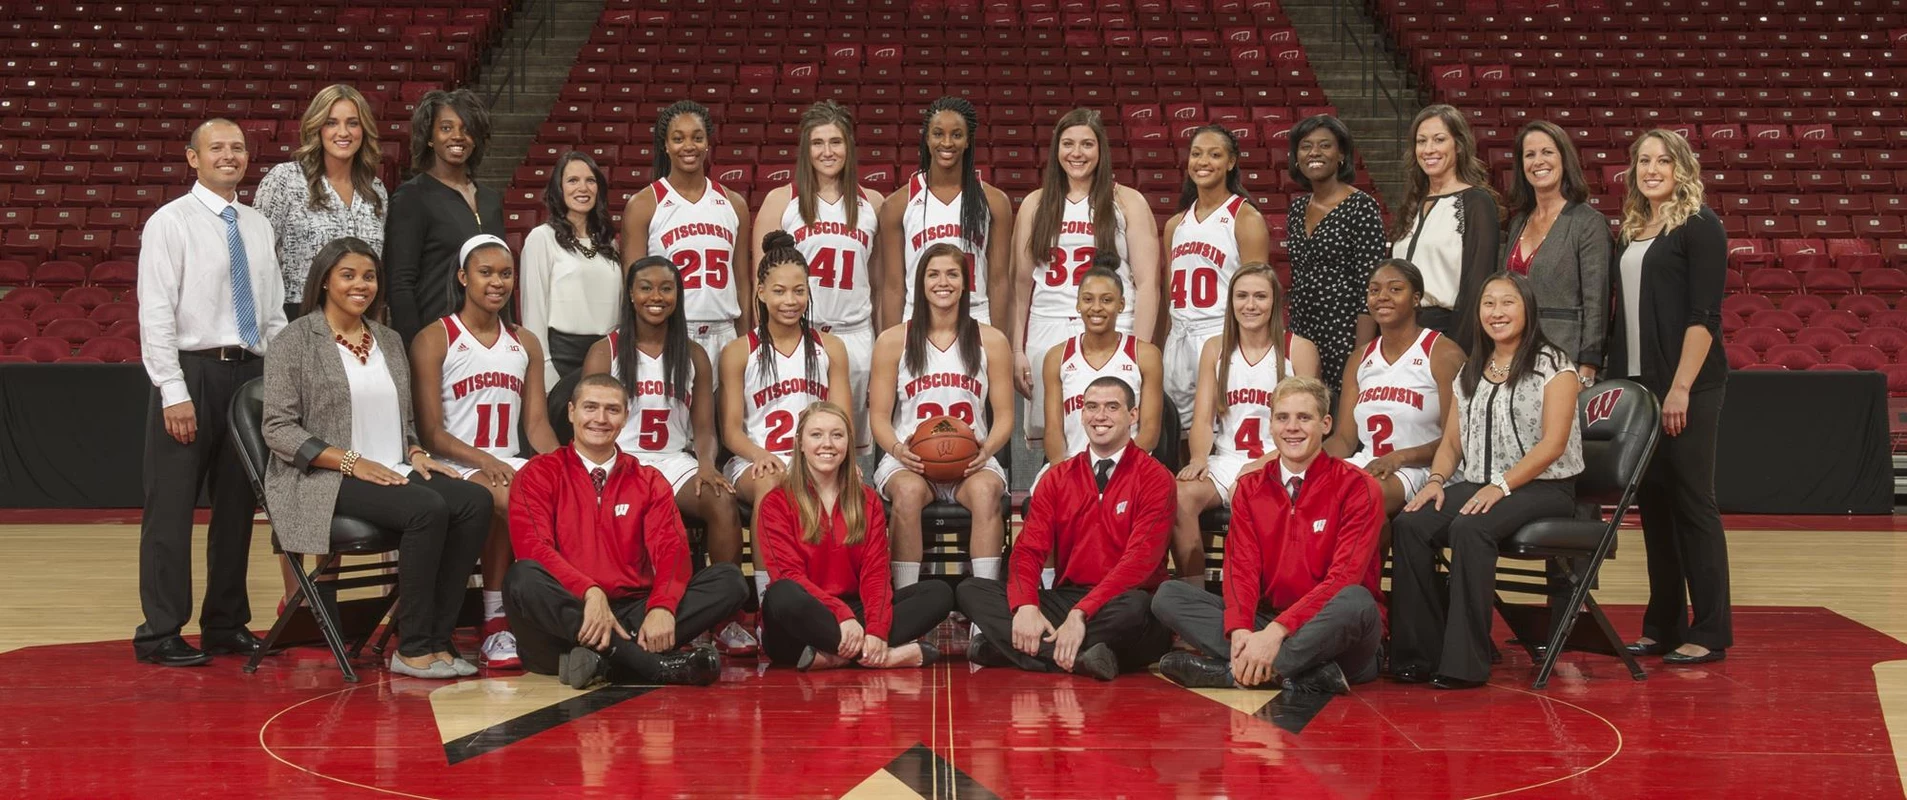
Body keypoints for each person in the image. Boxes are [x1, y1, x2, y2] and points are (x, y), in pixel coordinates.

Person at [261, 236, 493, 679]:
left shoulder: (387, 339)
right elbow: (278, 429)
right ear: (325, 280)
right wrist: (351, 462)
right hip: (325, 478)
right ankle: (412, 646)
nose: (360, 285)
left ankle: (438, 638)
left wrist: (416, 452)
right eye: (348, 275)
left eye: (369, 276)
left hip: (393, 466)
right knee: (427, 509)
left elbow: (402, 419)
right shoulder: (296, 339)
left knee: (473, 501)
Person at [133, 118, 290, 666]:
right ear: (192, 158)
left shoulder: (257, 224)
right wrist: (172, 390)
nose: (229, 156)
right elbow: (155, 313)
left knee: (237, 508)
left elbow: (271, 314)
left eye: (238, 148)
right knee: (172, 507)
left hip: (250, 376)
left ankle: (225, 623)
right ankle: (159, 632)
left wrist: (282, 377)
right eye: (216, 148)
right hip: (191, 372)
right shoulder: (169, 222)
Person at [1390, 271, 1583, 689]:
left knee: (1471, 527)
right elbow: (1452, 443)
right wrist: (1437, 480)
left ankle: (1464, 663)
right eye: (1488, 304)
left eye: (1507, 302)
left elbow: (1553, 445)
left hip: (1544, 487)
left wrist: (1503, 486)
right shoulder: (1471, 370)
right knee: (1410, 524)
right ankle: (1417, 655)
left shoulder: (1556, 366)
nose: (1497, 312)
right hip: (1479, 482)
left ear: (1528, 308)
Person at [504, 373, 749, 688]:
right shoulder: (538, 473)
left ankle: (603, 662)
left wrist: (662, 606)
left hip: (634, 613)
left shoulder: (648, 480)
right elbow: (534, 548)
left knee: (729, 580)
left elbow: (671, 550)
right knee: (522, 577)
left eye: (612, 410)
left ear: (625, 417)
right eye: (590, 408)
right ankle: (649, 666)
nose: (600, 419)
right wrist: (589, 592)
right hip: (564, 620)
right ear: (571, 412)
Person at [1153, 376, 1386, 694]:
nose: (1292, 427)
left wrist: (1276, 632)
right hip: (1268, 624)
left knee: (1357, 602)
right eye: (1282, 417)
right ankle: (1297, 673)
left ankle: (1232, 673)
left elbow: (1343, 579)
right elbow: (1241, 570)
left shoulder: (1359, 487)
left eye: (1304, 418)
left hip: (1334, 632)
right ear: (1271, 424)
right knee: (1169, 596)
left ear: (1326, 424)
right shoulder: (1249, 488)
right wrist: (1240, 629)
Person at [581, 254, 753, 655]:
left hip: (674, 461)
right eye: (646, 287)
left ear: (678, 294)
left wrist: (708, 465)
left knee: (721, 500)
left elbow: (705, 429)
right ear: (630, 294)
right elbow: (589, 424)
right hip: (620, 460)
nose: (656, 296)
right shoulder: (605, 351)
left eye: (666, 288)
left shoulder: (692, 354)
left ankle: (727, 621)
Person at [1607, 129, 1732, 665]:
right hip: (1638, 387)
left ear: (1681, 167)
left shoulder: (1701, 226)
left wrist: (1680, 387)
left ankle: (1710, 630)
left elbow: (1705, 317)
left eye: (1662, 160)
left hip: (1688, 385)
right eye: (1642, 161)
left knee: (1693, 502)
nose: (1651, 168)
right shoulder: (1632, 229)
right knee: (1653, 505)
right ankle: (1662, 625)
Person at [955, 376, 1174, 680]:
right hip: (1069, 596)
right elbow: (1028, 551)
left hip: (1123, 600)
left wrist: (1081, 613)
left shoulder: (1155, 478)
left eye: (1112, 407)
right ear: (1082, 414)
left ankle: (1017, 650)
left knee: (1138, 609)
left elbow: (1139, 563)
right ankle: (1082, 658)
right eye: (1092, 407)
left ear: (1132, 415)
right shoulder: (1057, 478)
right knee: (971, 590)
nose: (1100, 416)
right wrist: (1026, 607)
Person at [409, 235, 561, 671]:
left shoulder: (525, 342)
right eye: (486, 273)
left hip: (507, 460)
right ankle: (497, 619)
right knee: (508, 497)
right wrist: (485, 460)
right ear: (463, 277)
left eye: (506, 273)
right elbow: (431, 431)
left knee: (570, 494)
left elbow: (535, 425)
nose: (498, 282)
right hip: (452, 463)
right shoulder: (435, 337)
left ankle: (552, 611)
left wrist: (567, 465)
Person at [758, 402, 956, 669]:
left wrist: (875, 629)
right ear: (800, 444)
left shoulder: (868, 500)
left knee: (939, 592)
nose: (827, 444)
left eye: (837, 435)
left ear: (848, 444)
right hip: (808, 609)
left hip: (855, 609)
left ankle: (834, 657)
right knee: (780, 595)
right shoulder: (776, 502)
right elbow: (788, 575)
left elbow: (875, 575)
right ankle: (878, 657)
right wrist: (840, 616)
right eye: (816, 435)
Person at [868, 243, 1015, 588]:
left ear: (966, 283)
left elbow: (1006, 416)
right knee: (905, 493)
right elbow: (878, 416)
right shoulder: (893, 341)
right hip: (911, 460)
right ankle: (907, 602)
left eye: (952, 274)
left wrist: (985, 450)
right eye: (933, 274)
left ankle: (984, 608)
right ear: (920, 283)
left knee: (986, 493)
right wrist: (897, 449)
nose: (942, 282)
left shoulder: (991, 340)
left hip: (971, 459)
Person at [1013, 108, 1162, 444]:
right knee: (1054, 431)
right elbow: (1021, 286)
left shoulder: (1128, 201)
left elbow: (1148, 284)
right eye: (1068, 144)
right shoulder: (1036, 204)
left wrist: (1138, 347)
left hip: (1112, 325)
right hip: (1046, 326)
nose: (1076, 153)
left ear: (1101, 150)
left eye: (1087, 144)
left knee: (1113, 424)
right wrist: (1016, 349)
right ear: (1056, 150)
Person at [720, 232, 850, 603]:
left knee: (851, 490)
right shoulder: (739, 351)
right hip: (756, 459)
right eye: (779, 291)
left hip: (817, 456)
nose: (790, 301)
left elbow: (841, 419)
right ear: (760, 292)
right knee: (773, 484)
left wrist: (836, 458)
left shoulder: (831, 347)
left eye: (798, 291)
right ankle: (767, 603)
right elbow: (731, 430)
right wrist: (759, 454)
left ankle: (838, 597)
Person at [1172, 264, 1318, 586]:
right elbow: (1202, 418)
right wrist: (1198, 458)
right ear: (1231, 301)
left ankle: (1250, 598)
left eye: (1260, 296)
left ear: (1275, 303)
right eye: (1242, 296)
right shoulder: (1216, 348)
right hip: (1227, 459)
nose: (1250, 305)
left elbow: (1310, 427)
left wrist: (1263, 463)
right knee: (1178, 497)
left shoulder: (1298, 349)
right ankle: (1192, 603)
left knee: (1246, 493)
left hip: (1280, 460)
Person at [754, 101, 886, 453]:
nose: (827, 152)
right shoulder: (781, 200)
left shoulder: (872, 202)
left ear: (849, 147)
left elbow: (881, 282)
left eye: (836, 142)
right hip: (799, 336)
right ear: (805, 149)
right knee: (799, 442)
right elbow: (761, 284)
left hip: (855, 335)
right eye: (818, 143)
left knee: (850, 446)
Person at [1325, 259, 1465, 517]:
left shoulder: (1443, 353)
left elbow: (1455, 440)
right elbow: (1344, 440)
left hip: (1425, 468)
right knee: (1309, 491)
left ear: (1416, 298)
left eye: (1395, 289)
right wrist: (1304, 460)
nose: (1382, 297)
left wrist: (1399, 457)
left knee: (1364, 496)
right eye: (1374, 290)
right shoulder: (1359, 359)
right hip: (1371, 464)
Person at [621, 101, 752, 366]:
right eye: (678, 139)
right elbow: (632, 285)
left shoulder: (734, 203)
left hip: (725, 333)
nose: (689, 146)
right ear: (665, 146)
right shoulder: (644, 204)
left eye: (697, 137)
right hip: (672, 332)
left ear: (708, 144)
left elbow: (742, 282)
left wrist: (746, 338)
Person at [1160, 125, 1272, 432]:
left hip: (1221, 335)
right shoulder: (1174, 225)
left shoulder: (1245, 217)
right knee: (1178, 432)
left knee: (1225, 429)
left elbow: (1260, 293)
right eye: (1196, 154)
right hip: (1179, 338)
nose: (1203, 161)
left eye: (1214, 154)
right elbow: (1169, 294)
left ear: (1231, 162)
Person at [254, 84, 388, 322]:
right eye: (331, 122)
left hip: (359, 319)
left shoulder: (375, 190)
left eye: (353, 123)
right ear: (317, 127)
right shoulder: (285, 179)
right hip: (297, 316)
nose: (343, 132)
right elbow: (257, 259)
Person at [878, 95, 1014, 327]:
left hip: (975, 316)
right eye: (939, 133)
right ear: (927, 138)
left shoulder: (994, 201)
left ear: (968, 140)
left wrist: (1000, 340)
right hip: (918, 319)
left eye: (957, 134)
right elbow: (893, 286)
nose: (947, 143)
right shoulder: (898, 204)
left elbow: (999, 282)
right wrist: (891, 342)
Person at [384, 89, 504, 345]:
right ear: (430, 136)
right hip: (437, 341)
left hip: (488, 342)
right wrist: (415, 347)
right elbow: (400, 285)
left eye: (466, 128)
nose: (457, 137)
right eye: (446, 128)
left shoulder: (491, 200)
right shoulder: (412, 197)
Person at [1285, 115, 1387, 395]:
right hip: (1302, 334)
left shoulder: (1361, 207)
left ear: (1341, 154)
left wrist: (1360, 354)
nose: (1314, 153)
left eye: (1325, 145)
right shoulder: (1296, 209)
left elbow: (1370, 287)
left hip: (1344, 336)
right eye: (1306, 146)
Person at [1503, 121, 1611, 380]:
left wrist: (1589, 364)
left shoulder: (1588, 222)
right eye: (1529, 155)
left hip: (1565, 359)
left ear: (1564, 159)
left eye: (1547, 152)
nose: (1538, 161)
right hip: (1516, 356)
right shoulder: (1518, 222)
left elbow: (1597, 301)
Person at [1388, 104, 1501, 345]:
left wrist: (1459, 350)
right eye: (1421, 141)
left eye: (1439, 140)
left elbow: (1477, 286)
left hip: (1447, 333)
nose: (1429, 149)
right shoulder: (1412, 202)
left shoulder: (1476, 202)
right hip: (1398, 333)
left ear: (1458, 146)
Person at [1041, 264, 1163, 468]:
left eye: (1106, 300)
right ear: (1078, 304)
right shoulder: (1057, 357)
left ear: (1121, 304)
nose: (1096, 307)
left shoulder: (1145, 355)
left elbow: (1149, 431)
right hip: (1072, 466)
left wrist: (1113, 469)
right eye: (1088, 299)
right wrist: (1065, 471)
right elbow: (1053, 431)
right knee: (1039, 498)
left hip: (1129, 467)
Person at [518, 151, 621, 380]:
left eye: (590, 180)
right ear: (558, 188)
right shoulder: (541, 239)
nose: (582, 188)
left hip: (608, 357)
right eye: (573, 180)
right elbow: (533, 312)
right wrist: (544, 370)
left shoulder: (609, 243)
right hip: (561, 359)